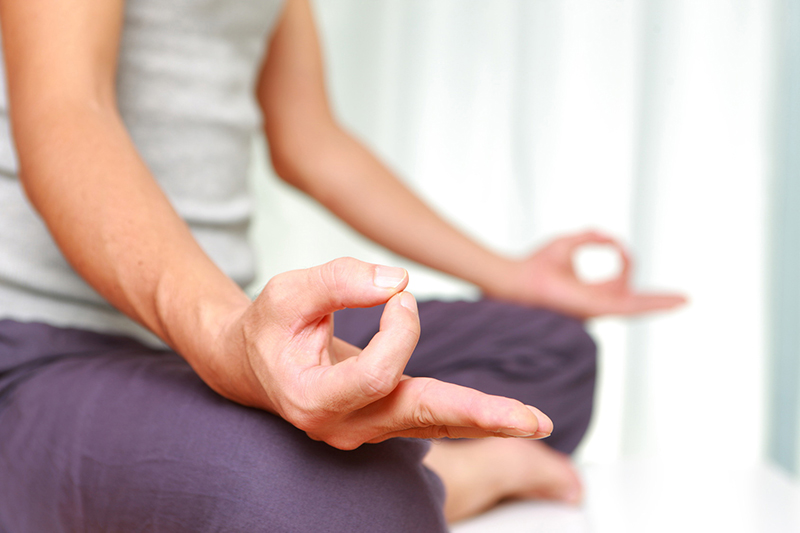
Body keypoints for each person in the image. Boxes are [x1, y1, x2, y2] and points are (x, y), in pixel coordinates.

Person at [0, 0, 685, 530]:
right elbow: (67, 113)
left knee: (551, 352)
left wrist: (511, 275)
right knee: (351, 511)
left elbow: (311, 139)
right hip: (43, 346)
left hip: (209, 326)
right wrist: (225, 337)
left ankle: (380, 448)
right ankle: (445, 471)